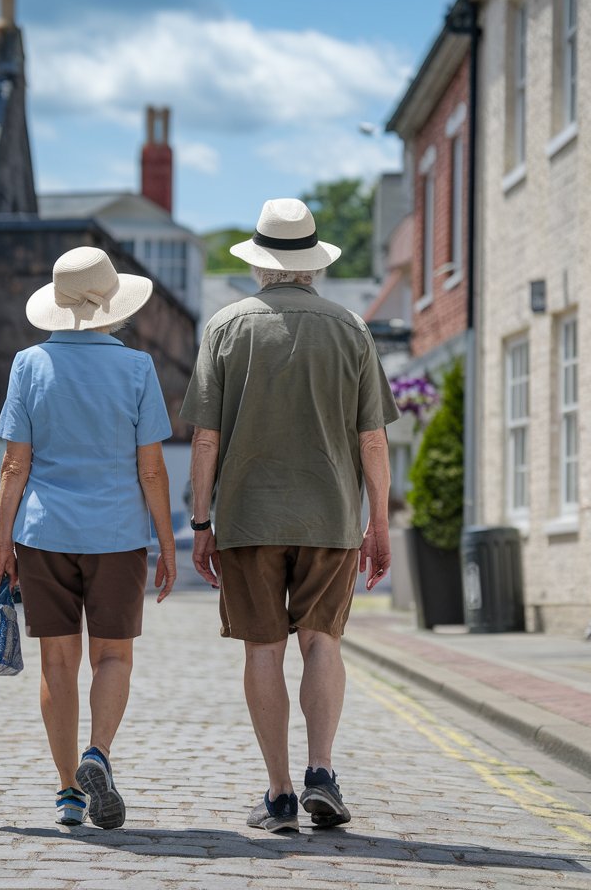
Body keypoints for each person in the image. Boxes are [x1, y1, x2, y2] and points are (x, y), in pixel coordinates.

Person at [180, 198, 398, 833]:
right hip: (329, 517)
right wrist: (377, 526)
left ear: (260, 265)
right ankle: (321, 772)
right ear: (312, 265)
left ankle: (278, 795)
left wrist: (200, 523)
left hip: (247, 520)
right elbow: (374, 442)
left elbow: (204, 439)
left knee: (263, 649)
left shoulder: (225, 328)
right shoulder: (352, 329)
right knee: (321, 641)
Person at [0, 246, 177, 830]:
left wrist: (3, 545)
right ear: (113, 304)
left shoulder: (28, 364)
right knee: (114, 654)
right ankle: (99, 752)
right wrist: (167, 542)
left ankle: (69, 791)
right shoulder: (137, 368)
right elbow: (151, 468)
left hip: (44, 533)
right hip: (118, 534)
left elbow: (13, 467)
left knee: (58, 661)